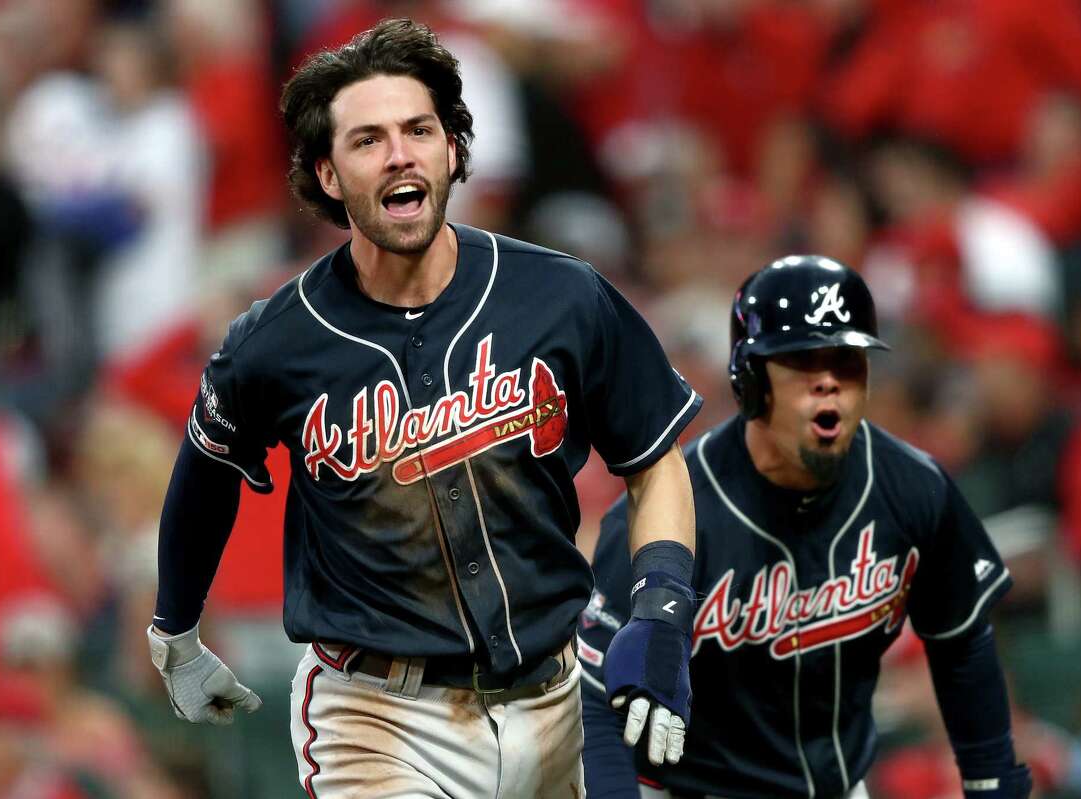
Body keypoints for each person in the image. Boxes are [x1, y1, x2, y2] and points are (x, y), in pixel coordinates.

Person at [144, 18, 703, 799]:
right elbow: (203, 477)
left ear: (453, 151)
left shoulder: (561, 294)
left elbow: (656, 461)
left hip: (559, 695)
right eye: (368, 139)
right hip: (378, 716)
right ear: (328, 175)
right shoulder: (275, 342)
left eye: (419, 130)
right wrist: (177, 631)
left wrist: (662, 609)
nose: (401, 152)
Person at [579, 255, 1033, 799]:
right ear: (749, 381)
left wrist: (992, 781)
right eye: (803, 363)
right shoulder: (671, 507)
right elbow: (592, 701)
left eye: (847, 362)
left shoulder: (913, 487)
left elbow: (962, 644)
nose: (829, 385)